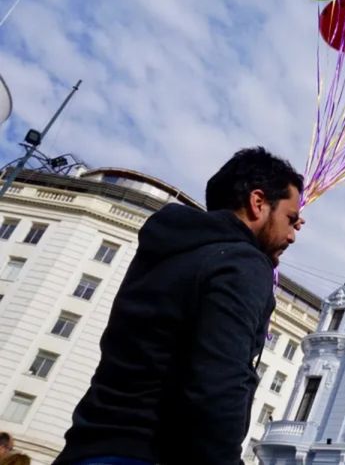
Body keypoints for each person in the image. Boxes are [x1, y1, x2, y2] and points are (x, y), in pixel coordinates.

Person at [55, 147, 304, 465]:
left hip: (87, 446)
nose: (291, 236)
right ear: (258, 202)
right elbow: (219, 384)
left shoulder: (170, 250)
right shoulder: (241, 264)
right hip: (153, 453)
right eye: (289, 219)